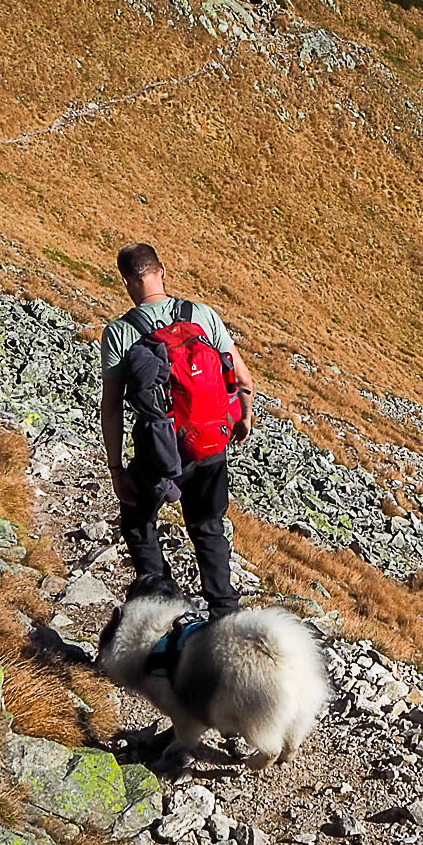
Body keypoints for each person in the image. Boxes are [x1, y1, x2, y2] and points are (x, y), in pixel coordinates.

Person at [100, 242, 252, 614]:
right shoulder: (200, 314)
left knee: (138, 520)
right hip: (212, 443)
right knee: (208, 527)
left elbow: (113, 406)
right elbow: (242, 377)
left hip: (160, 451)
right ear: (162, 271)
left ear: (126, 282)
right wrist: (243, 417)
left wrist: (117, 468)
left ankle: (163, 606)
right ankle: (224, 613)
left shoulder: (120, 333)